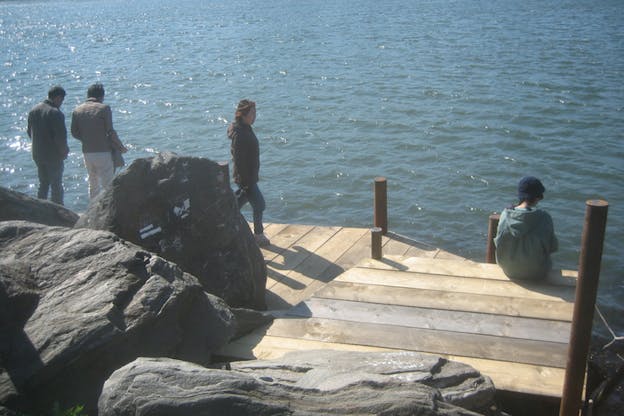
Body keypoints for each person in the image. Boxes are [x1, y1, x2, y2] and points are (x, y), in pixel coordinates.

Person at [494, 176, 558, 280]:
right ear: (538, 197)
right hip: (536, 272)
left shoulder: (505, 214)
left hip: (508, 269)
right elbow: (553, 247)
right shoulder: (545, 217)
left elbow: (498, 243)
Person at [71, 83, 127, 199]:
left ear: (88, 95)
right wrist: (121, 147)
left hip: (87, 152)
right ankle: (108, 210)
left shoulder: (77, 110)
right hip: (103, 152)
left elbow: (74, 133)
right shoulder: (104, 108)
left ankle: (92, 210)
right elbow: (110, 132)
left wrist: (87, 139)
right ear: (101, 96)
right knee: (108, 185)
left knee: (93, 183)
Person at [227, 99, 270, 246]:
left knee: (237, 203)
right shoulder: (240, 134)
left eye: (255, 112)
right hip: (246, 179)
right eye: (252, 113)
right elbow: (238, 160)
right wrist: (245, 182)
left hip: (249, 177)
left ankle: (227, 221)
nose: (255, 116)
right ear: (243, 114)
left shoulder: (245, 128)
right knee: (259, 204)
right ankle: (258, 235)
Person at [27, 86, 69, 205]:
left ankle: (40, 209)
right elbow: (60, 137)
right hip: (53, 155)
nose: (61, 103)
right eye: (61, 100)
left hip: (37, 153)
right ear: (58, 97)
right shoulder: (55, 113)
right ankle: (58, 211)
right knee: (56, 186)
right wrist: (64, 151)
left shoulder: (34, 110)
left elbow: (29, 132)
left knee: (43, 184)